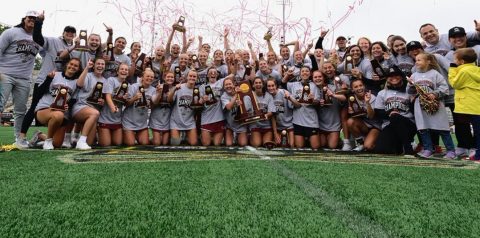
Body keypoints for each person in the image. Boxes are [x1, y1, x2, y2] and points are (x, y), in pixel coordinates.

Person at [16, 12, 77, 148]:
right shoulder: (54, 41)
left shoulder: (76, 50)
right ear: (63, 32)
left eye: (72, 32)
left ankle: (47, 137)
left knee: (64, 110)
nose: (70, 34)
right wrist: (39, 22)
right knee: (33, 107)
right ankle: (21, 137)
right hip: (46, 80)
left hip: (61, 84)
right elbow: (37, 38)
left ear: (75, 35)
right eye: (67, 31)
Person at [0, 11, 41, 145]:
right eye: (30, 17)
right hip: (5, 74)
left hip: (24, 78)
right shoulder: (11, 32)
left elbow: (50, 52)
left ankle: (19, 138)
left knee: (20, 110)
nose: (32, 20)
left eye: (36, 19)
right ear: (24, 19)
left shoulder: (39, 37)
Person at [408, 53, 455, 159]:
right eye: (416, 60)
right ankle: (428, 149)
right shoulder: (414, 75)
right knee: (423, 128)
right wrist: (410, 85)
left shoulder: (435, 74)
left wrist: (435, 94)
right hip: (420, 106)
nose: (417, 62)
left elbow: (444, 88)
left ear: (428, 61)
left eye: (419, 60)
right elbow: (409, 91)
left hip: (436, 105)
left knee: (442, 128)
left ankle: (450, 150)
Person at [34, 58, 82, 150]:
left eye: (76, 66)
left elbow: (72, 100)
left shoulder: (76, 83)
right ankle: (48, 141)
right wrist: (48, 79)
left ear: (78, 69)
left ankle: (40, 135)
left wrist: (68, 106)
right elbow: (38, 93)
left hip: (62, 114)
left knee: (57, 144)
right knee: (58, 114)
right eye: (71, 64)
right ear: (67, 64)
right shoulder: (55, 75)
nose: (73, 67)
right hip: (45, 108)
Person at [374, 65, 416, 155]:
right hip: (390, 124)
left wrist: (413, 102)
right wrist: (389, 113)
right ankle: (399, 146)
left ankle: (408, 146)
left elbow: (415, 112)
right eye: (390, 76)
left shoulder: (409, 91)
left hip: (408, 124)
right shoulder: (382, 93)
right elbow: (378, 112)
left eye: (396, 75)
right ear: (387, 78)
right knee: (381, 149)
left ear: (401, 76)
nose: (393, 78)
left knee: (395, 116)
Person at [448, 48, 480, 160]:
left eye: (455, 60)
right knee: (477, 130)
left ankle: (478, 155)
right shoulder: (477, 69)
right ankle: (477, 153)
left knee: (475, 130)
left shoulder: (464, 71)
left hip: (468, 105)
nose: (454, 61)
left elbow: (455, 84)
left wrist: (452, 69)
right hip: (477, 104)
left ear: (461, 61)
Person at [72, 58, 106, 149]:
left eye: (102, 64)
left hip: (93, 112)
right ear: (94, 65)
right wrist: (86, 68)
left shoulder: (105, 81)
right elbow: (79, 84)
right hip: (80, 106)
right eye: (98, 63)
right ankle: (81, 140)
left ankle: (78, 140)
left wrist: (102, 101)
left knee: (89, 143)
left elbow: (103, 99)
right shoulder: (88, 75)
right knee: (95, 113)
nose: (100, 66)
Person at [97, 63, 129, 147]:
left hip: (117, 120)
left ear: (128, 73)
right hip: (105, 118)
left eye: (126, 70)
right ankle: (98, 135)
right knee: (106, 144)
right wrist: (112, 107)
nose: (124, 71)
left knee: (118, 143)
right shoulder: (111, 80)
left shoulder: (127, 85)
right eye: (122, 69)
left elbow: (126, 103)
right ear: (117, 71)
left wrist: (125, 99)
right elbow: (107, 96)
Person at [122, 68, 155, 146]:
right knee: (130, 143)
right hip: (129, 121)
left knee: (145, 143)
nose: (149, 78)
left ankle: (135, 135)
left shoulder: (153, 90)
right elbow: (125, 104)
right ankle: (124, 134)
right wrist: (134, 98)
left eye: (151, 77)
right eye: (147, 76)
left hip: (142, 123)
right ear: (142, 77)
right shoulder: (133, 87)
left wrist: (150, 103)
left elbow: (153, 106)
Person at [346, 78, 381, 151]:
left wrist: (367, 102)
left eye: (360, 85)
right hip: (363, 125)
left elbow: (371, 116)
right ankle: (360, 143)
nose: (359, 88)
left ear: (364, 86)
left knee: (368, 146)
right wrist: (351, 112)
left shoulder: (372, 97)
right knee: (350, 121)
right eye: (356, 87)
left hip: (375, 125)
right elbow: (355, 115)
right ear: (352, 89)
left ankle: (377, 141)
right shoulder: (352, 98)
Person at [168, 70, 199, 146]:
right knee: (175, 143)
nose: (192, 78)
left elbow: (198, 106)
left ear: (197, 78)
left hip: (189, 121)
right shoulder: (179, 87)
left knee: (193, 143)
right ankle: (171, 137)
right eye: (190, 76)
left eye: (194, 76)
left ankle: (186, 137)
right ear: (187, 77)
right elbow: (169, 100)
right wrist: (174, 89)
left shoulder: (197, 90)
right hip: (176, 120)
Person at [198, 68, 227, 146]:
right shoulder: (202, 87)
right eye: (211, 72)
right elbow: (198, 102)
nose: (213, 73)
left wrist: (233, 63)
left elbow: (232, 75)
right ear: (207, 75)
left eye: (215, 72)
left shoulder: (221, 82)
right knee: (206, 144)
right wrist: (203, 100)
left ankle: (215, 137)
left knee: (216, 144)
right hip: (206, 118)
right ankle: (203, 136)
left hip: (219, 118)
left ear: (217, 75)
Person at [249, 77, 277, 147]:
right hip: (255, 125)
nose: (258, 84)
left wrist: (266, 115)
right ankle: (249, 137)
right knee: (257, 144)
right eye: (256, 83)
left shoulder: (268, 96)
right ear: (253, 85)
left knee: (266, 144)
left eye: (260, 83)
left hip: (266, 126)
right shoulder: (250, 95)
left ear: (263, 85)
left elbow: (271, 111)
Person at [266, 78, 294, 147]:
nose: (271, 88)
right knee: (278, 144)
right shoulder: (267, 97)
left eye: (273, 85)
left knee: (291, 145)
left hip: (289, 124)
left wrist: (290, 97)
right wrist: (275, 133)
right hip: (278, 127)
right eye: (269, 86)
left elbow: (293, 107)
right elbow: (273, 117)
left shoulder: (284, 92)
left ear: (276, 86)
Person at [221, 77, 248, 146]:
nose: (228, 86)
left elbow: (248, 109)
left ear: (234, 85)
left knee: (243, 144)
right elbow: (229, 107)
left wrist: (242, 104)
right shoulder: (224, 96)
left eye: (230, 84)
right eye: (226, 85)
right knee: (229, 144)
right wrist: (236, 95)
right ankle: (228, 135)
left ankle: (246, 135)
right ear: (224, 87)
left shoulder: (242, 92)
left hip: (241, 124)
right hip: (230, 125)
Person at [150, 71, 175, 146]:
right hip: (157, 117)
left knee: (165, 143)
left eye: (172, 77)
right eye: (168, 77)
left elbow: (171, 101)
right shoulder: (158, 87)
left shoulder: (175, 89)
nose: (170, 78)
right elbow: (154, 102)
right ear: (164, 78)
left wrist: (172, 92)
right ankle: (153, 138)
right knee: (157, 143)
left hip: (167, 119)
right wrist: (159, 93)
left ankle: (156, 138)